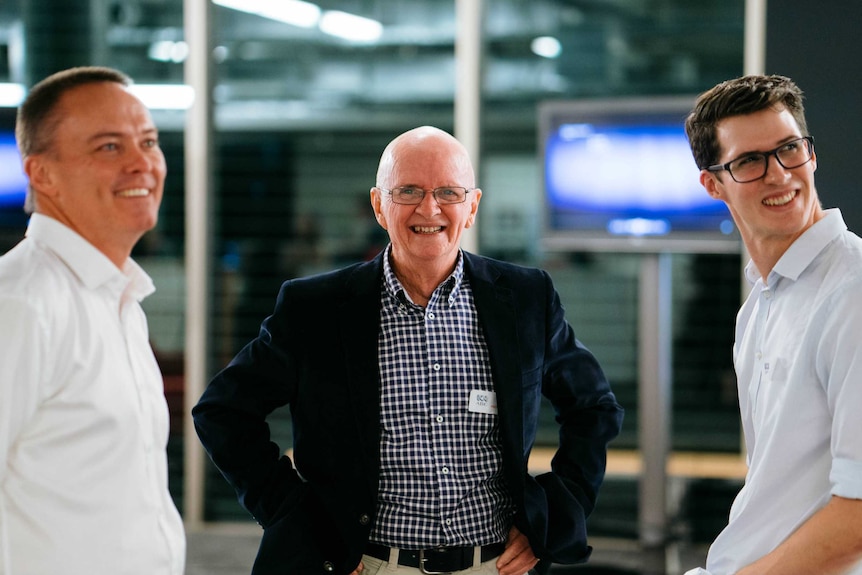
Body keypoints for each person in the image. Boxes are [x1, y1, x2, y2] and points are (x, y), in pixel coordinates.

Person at [193, 125, 624, 575]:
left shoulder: (524, 298)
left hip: (495, 566)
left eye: (448, 192)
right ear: (380, 206)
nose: (429, 208)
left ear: (472, 207)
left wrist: (554, 514)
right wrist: (296, 518)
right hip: (366, 565)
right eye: (409, 191)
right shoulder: (315, 310)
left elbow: (594, 408)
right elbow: (223, 411)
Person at [0, 66, 185, 574]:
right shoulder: (20, 304)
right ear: (42, 174)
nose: (141, 164)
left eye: (148, 142)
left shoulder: (117, 298)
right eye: (109, 147)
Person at [683, 74, 862, 575]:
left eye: (789, 149)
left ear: (811, 153)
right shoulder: (759, 306)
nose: (780, 174)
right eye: (748, 161)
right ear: (713, 184)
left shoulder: (853, 292)